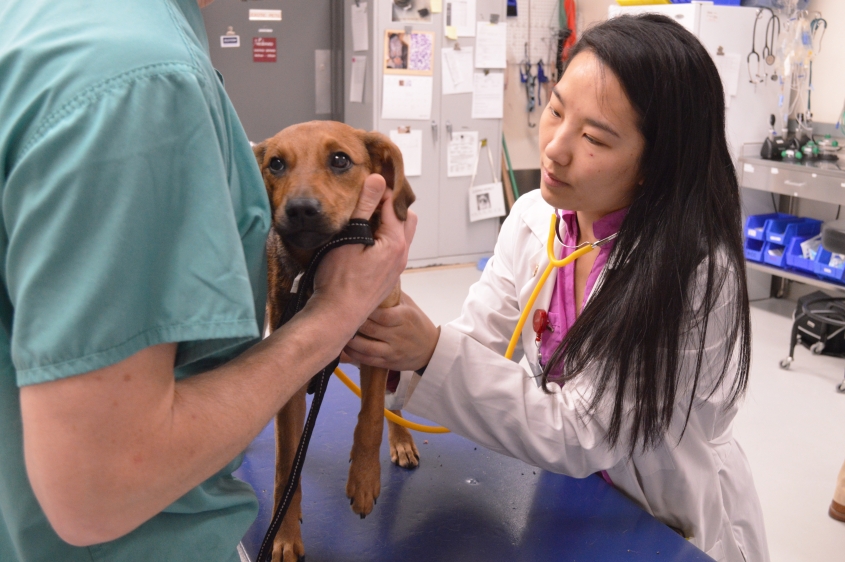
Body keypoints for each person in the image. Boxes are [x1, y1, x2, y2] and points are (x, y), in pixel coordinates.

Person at [0, 1, 414, 561]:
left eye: (338, 162)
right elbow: (99, 485)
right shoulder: (144, 76)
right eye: (277, 168)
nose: (303, 195)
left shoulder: (70, 25)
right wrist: (333, 315)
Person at [345, 14, 768, 562]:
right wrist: (385, 332)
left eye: (593, 137)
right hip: (567, 492)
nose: (554, 148)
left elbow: (583, 431)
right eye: (556, 110)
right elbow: (475, 338)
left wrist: (427, 350)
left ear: (654, 165)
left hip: (661, 515)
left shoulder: (692, 274)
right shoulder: (533, 218)